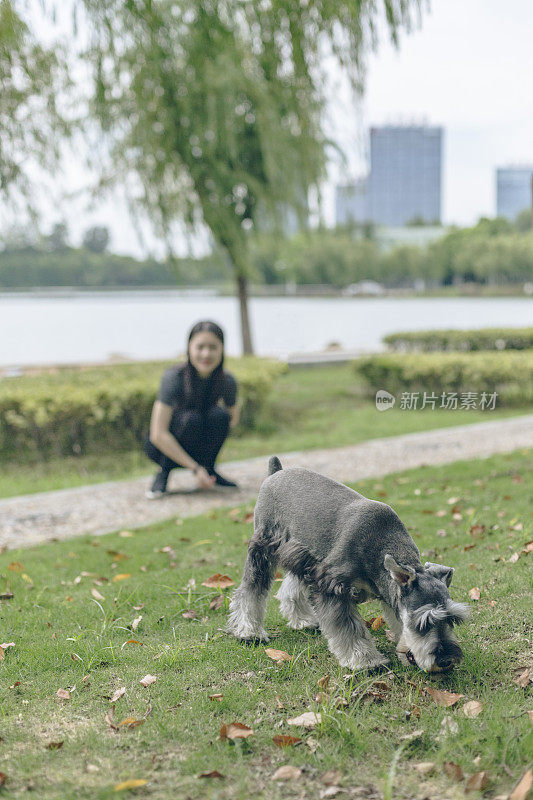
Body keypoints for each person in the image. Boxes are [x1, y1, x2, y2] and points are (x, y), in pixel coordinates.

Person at [144, 320, 239, 499]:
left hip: (197, 440)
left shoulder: (227, 381)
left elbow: (232, 419)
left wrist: (207, 442)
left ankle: (210, 470)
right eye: (200, 347)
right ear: (189, 348)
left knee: (219, 416)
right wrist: (195, 468)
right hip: (162, 445)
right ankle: (163, 472)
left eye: (213, 347)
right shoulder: (173, 377)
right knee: (191, 420)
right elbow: (157, 434)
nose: (206, 353)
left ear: (222, 349)